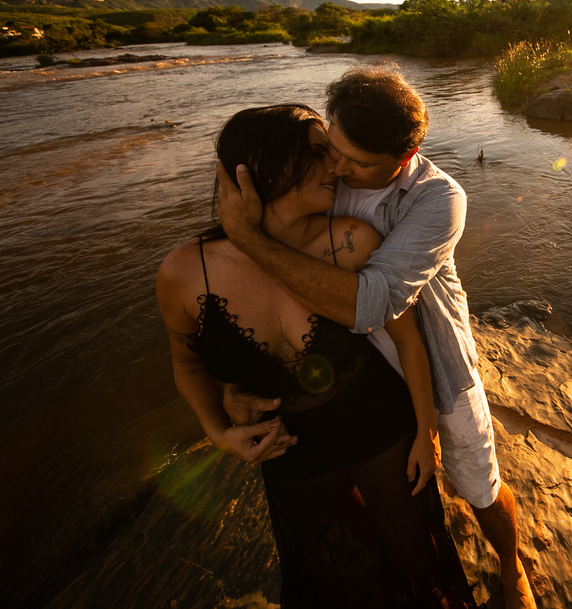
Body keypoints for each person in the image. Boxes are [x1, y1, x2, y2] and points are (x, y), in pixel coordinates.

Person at [217, 67, 537, 609]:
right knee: (383, 497)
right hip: (358, 379)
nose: (336, 168)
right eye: (332, 150)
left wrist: (245, 238)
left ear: (405, 154)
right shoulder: (322, 170)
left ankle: (512, 565)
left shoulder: (437, 199)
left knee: (478, 484)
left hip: (435, 367)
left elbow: (373, 303)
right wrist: (234, 383)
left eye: (357, 162)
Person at [156, 104, 473, 608]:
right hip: (291, 450)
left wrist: (424, 431)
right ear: (265, 164)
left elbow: (407, 339)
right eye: (321, 155)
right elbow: (187, 363)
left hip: (381, 428)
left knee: (417, 555)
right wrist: (217, 429)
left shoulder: (352, 240)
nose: (336, 169)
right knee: (336, 570)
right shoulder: (185, 271)